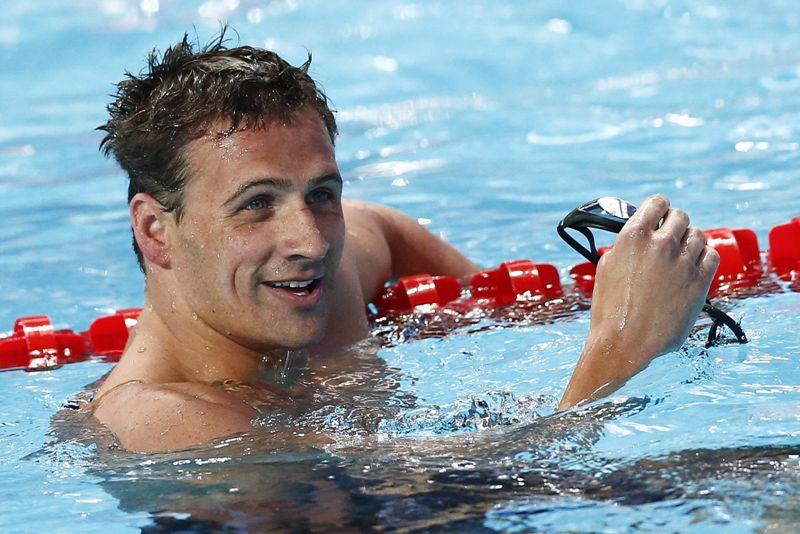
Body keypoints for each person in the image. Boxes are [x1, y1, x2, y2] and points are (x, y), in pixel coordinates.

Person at [90, 33, 719, 453]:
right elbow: (512, 481)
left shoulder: (316, 285)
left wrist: (507, 304)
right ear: (155, 230)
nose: (309, 240)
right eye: (256, 204)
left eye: (320, 193)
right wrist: (623, 346)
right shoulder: (165, 424)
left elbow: (379, 227)